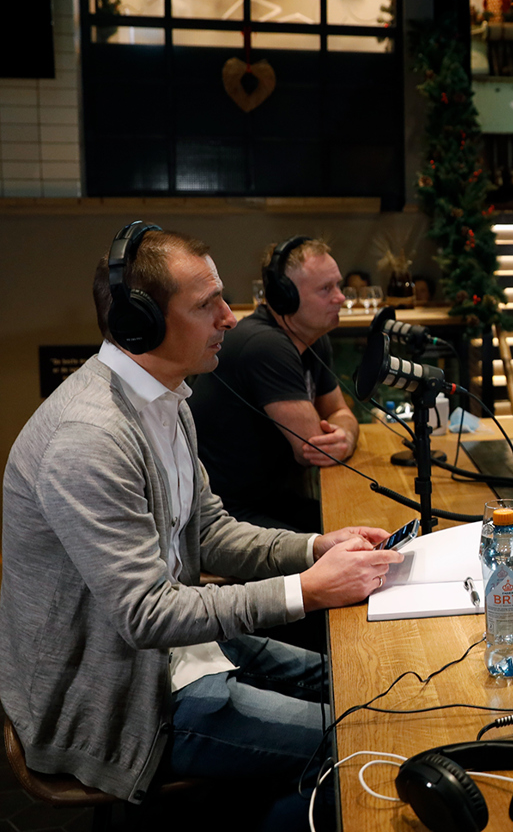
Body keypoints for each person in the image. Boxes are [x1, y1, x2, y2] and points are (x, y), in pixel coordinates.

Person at [0, 223, 401, 830]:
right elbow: (144, 616)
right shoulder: (88, 439)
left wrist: (318, 546)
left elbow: (209, 533)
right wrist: (308, 589)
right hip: (116, 699)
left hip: (182, 655)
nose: (230, 318)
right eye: (206, 304)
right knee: (358, 744)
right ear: (142, 324)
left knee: (367, 689)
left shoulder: (168, 401)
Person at [189, 236, 357, 533]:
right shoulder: (265, 345)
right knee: (349, 549)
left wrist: (345, 433)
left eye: (338, 285)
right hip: (224, 515)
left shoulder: (313, 339)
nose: (340, 297)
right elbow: (314, 449)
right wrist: (342, 435)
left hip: (271, 500)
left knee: (363, 529)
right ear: (284, 297)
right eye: (326, 289)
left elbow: (340, 411)